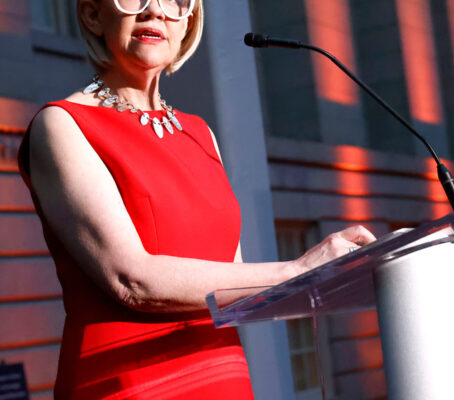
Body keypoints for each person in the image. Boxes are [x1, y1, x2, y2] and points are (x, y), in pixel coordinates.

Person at [17, 0, 376, 398]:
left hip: (222, 378)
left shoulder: (200, 134)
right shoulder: (62, 124)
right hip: (126, 384)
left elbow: (234, 283)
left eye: (174, 1)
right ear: (92, 14)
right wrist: (297, 269)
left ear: (188, 21)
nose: (155, 10)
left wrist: (334, 274)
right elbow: (131, 280)